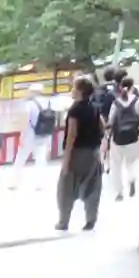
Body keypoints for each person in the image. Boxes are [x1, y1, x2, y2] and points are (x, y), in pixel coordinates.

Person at [54, 77, 105, 231]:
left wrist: (66, 159)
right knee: (93, 187)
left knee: (66, 187)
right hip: (93, 152)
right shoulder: (94, 107)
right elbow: (102, 127)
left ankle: (63, 221)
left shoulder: (75, 110)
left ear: (80, 91)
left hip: (77, 152)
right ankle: (91, 220)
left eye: (74, 87)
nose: (72, 90)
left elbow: (72, 134)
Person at [107, 75, 139, 200]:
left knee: (116, 166)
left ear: (120, 87)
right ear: (132, 87)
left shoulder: (116, 103)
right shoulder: (137, 101)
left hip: (117, 139)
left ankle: (119, 192)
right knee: (132, 162)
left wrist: (107, 137)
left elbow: (110, 121)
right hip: (133, 138)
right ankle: (132, 179)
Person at [10, 87, 57, 188]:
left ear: (33, 92)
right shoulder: (49, 103)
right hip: (44, 135)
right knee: (40, 160)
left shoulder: (29, 104)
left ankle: (14, 182)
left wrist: (21, 136)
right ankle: (39, 184)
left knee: (20, 159)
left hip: (29, 135)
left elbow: (25, 120)